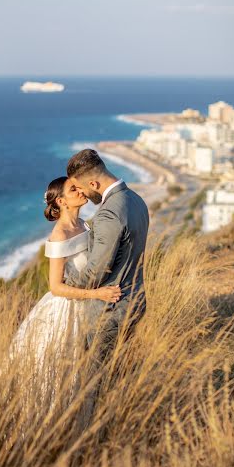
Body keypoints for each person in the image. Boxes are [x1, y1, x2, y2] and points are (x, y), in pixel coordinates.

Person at [10, 176, 122, 375]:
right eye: (73, 190)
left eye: (79, 187)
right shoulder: (60, 235)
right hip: (68, 309)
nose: (81, 191)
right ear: (61, 202)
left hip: (90, 304)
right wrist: (98, 294)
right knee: (65, 369)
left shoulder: (83, 224)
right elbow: (55, 287)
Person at [65, 147, 150, 362]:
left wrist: (67, 283)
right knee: (119, 371)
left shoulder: (108, 214)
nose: (81, 193)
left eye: (81, 188)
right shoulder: (136, 199)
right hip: (136, 299)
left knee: (96, 379)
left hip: (110, 312)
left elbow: (96, 271)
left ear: (93, 184)